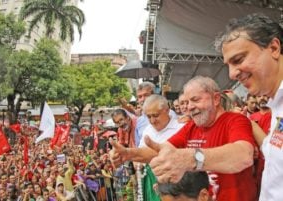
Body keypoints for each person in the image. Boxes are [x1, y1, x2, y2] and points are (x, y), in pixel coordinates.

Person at [110, 76, 256, 201]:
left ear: (216, 98)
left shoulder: (235, 120)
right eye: (186, 102)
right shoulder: (191, 127)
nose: (190, 107)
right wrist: (128, 154)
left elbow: (244, 155)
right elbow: (162, 151)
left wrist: (192, 158)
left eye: (195, 100)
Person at [215, 13, 283, 201]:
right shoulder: (276, 103)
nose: (231, 74)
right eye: (228, 65)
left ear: (274, 48)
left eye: (238, 60)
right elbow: (273, 151)